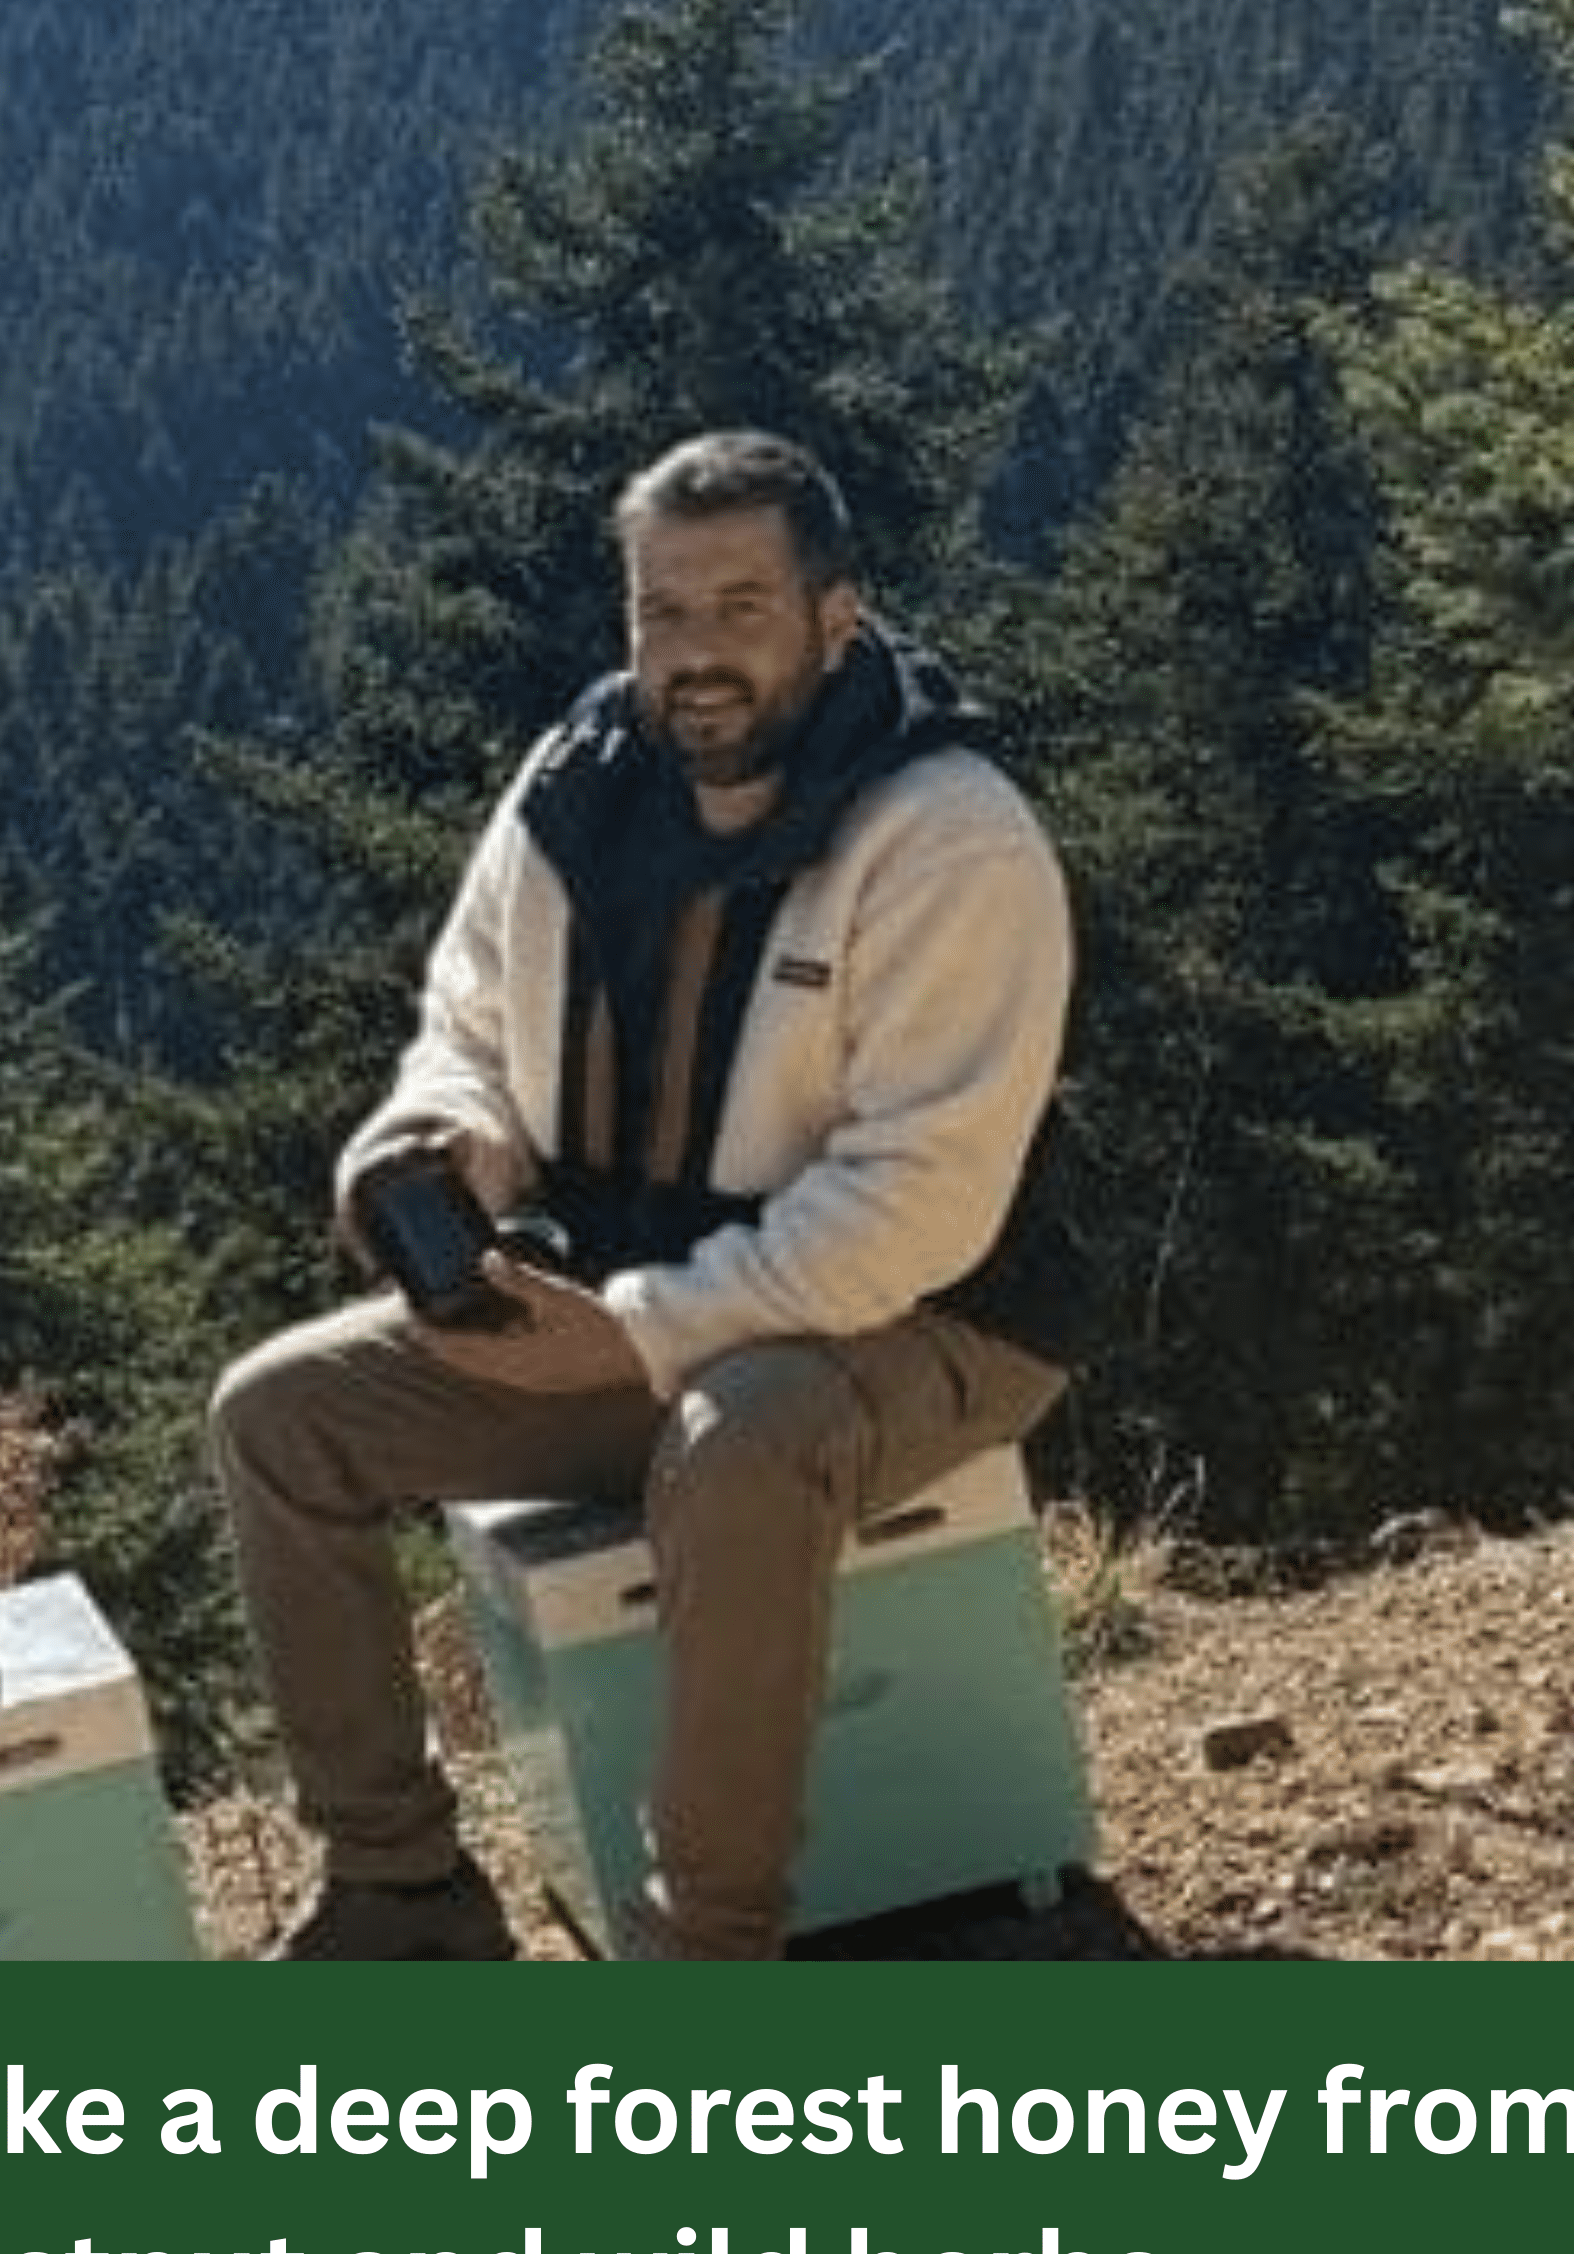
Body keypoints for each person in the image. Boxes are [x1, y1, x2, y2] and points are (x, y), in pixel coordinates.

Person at [209, 424, 1076, 1960]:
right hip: (622, 1311)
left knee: (735, 1443)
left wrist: (634, 1335)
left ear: (835, 617)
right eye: (660, 612)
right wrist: (438, 1144)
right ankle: (399, 1890)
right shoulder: (577, 778)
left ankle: (704, 1945)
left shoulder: (946, 831)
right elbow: (467, 1021)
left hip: (925, 1321)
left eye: (739, 608)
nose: (694, 655)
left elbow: (917, 1207)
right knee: (276, 1417)